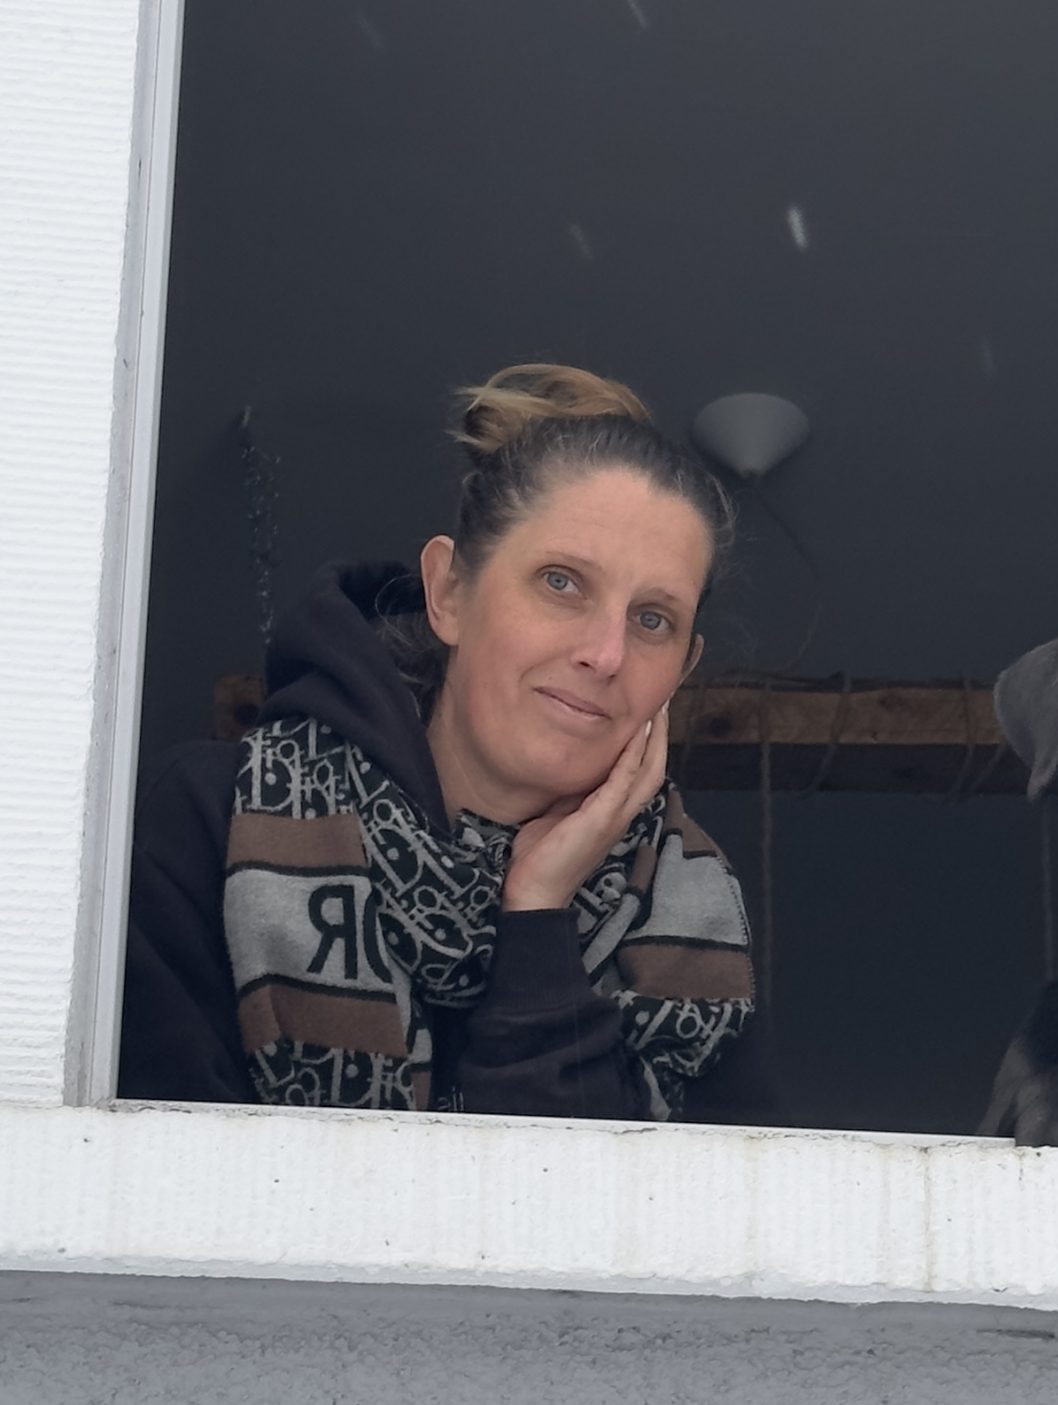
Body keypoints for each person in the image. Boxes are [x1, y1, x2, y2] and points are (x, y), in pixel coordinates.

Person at [120, 363, 763, 1119]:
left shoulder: (687, 914)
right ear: (449, 593)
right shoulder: (211, 819)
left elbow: (594, 1223)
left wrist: (537, 917)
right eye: (561, 582)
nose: (606, 653)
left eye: (652, 619)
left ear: (681, 669)